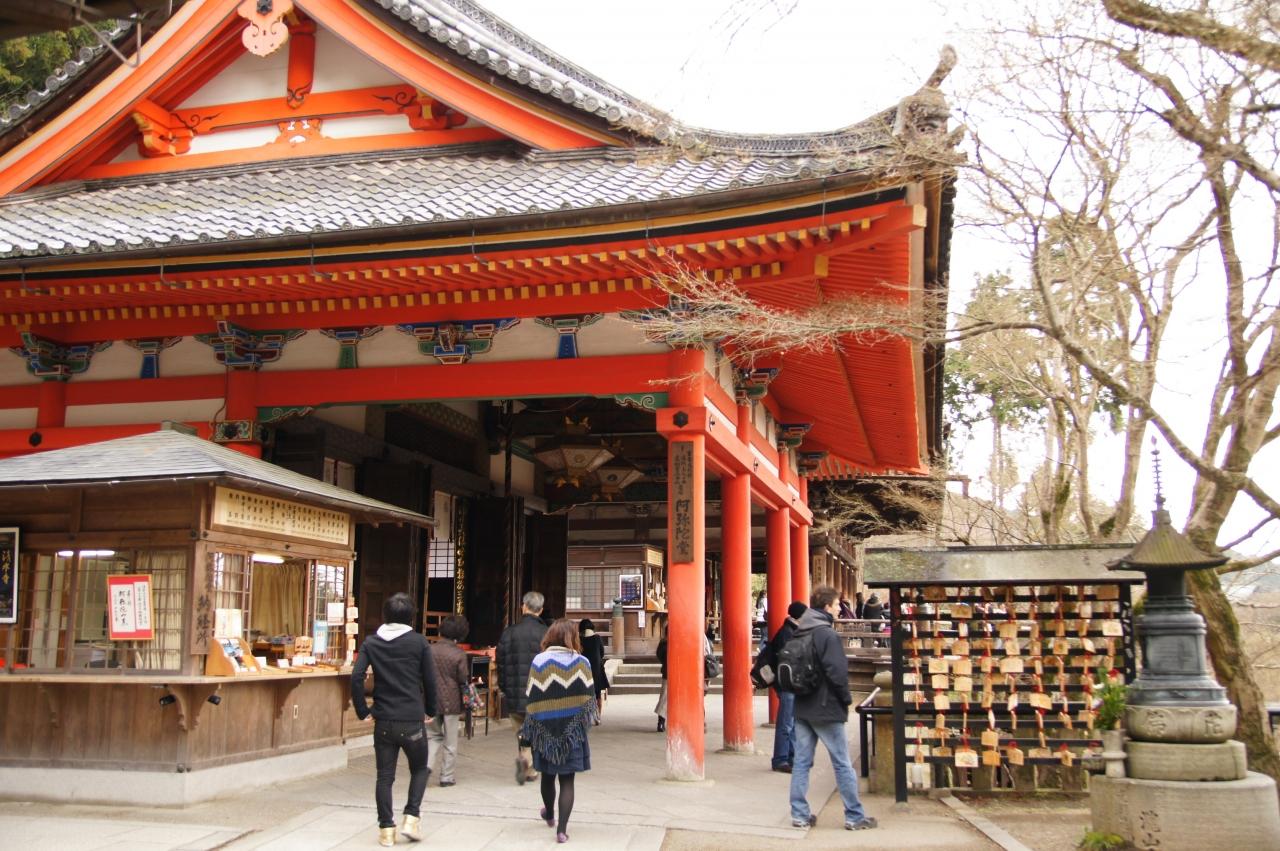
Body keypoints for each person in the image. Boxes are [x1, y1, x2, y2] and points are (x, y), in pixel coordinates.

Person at [350, 592, 440, 847]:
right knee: (419, 768)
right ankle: (411, 817)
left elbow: (356, 676)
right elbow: (430, 680)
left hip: (384, 719)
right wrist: (430, 710)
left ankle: (386, 830)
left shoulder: (371, 642)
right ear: (411, 617)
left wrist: (363, 710)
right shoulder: (419, 642)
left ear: (385, 615)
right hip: (411, 718)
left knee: (384, 776)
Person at [789, 585, 877, 832]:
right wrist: (846, 699)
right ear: (827, 607)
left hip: (802, 704)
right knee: (841, 762)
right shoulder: (827, 635)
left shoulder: (800, 632)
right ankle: (854, 815)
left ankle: (799, 814)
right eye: (837, 604)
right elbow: (837, 672)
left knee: (801, 762)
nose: (839, 609)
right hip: (826, 706)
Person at [522, 618, 596, 844]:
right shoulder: (582, 662)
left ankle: (550, 815)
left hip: (544, 728)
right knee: (567, 781)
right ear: (572, 637)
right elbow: (589, 699)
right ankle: (562, 831)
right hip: (572, 732)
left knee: (547, 776)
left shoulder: (539, 661)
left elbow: (531, 695)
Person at [497, 590, 549, 785]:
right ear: (540, 610)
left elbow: (501, 663)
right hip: (539, 694)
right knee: (537, 730)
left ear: (523, 607)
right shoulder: (546, 633)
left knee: (521, 730)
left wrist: (504, 686)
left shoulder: (509, 632)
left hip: (514, 692)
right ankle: (531, 768)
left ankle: (524, 758)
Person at [752, 601, 807, 773]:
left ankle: (791, 757)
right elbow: (788, 662)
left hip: (793, 683)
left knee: (793, 723)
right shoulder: (786, 633)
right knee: (786, 724)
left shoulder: (794, 632)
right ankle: (780, 759)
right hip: (787, 684)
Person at [427, 614, 470, 788]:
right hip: (452, 701)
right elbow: (463, 679)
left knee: (432, 736)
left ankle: (426, 765)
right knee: (450, 740)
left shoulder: (429, 650)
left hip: (431, 699)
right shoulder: (459, 654)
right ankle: (447, 776)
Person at [578, 619, 610, 721]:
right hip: (596, 670)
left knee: (584, 694)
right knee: (597, 694)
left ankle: (586, 717)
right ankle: (598, 716)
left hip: (583, 670)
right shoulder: (597, 638)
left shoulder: (579, 639)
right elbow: (602, 653)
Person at [654, 628, 668, 732]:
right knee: (664, 698)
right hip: (668, 673)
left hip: (679, 673)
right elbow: (660, 655)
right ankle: (661, 722)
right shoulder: (664, 643)